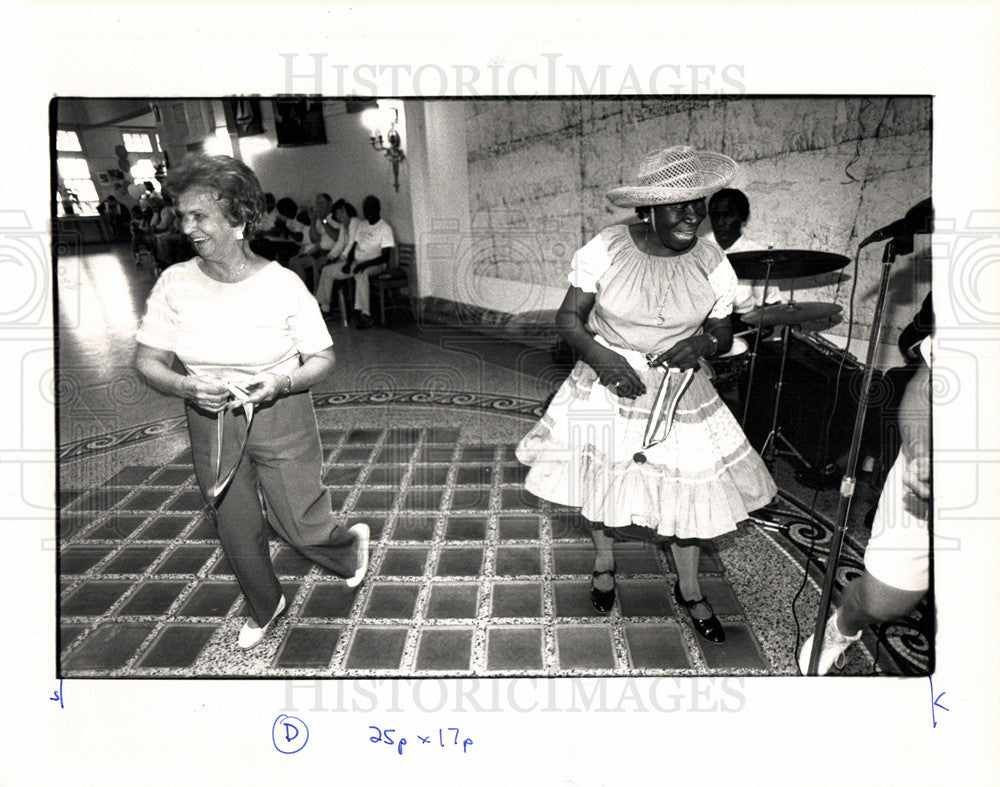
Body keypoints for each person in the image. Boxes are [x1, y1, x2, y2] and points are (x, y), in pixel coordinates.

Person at [516, 147, 777, 644]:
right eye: (677, 205)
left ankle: (691, 587)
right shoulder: (606, 249)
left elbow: (723, 327)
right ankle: (604, 562)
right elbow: (568, 319)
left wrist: (704, 341)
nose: (692, 215)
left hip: (680, 391)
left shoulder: (710, 258)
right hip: (607, 381)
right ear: (648, 209)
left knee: (686, 490)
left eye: (698, 204)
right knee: (599, 478)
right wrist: (604, 360)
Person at [134, 154, 370, 650]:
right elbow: (148, 361)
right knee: (235, 523)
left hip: (277, 409)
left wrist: (281, 384)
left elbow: (322, 358)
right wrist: (184, 387)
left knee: (299, 523)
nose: (188, 227)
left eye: (199, 216)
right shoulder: (175, 282)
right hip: (207, 415)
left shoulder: (282, 284)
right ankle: (265, 604)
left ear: (239, 219)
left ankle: (348, 550)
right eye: (183, 216)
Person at [799, 313, 932, 675]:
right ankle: (841, 626)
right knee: (884, 600)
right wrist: (921, 452)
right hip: (933, 475)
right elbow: (924, 388)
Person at [700, 188, 784, 323]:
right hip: (701, 323)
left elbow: (770, 303)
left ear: (743, 216)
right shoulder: (697, 250)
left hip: (742, 322)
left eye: (728, 215)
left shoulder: (757, 254)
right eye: (715, 216)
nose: (720, 222)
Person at [342, 195, 394, 329]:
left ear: (378, 210)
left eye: (371, 209)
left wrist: (364, 264)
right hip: (358, 262)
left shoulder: (385, 228)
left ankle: (365, 314)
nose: (368, 213)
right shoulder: (362, 225)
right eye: (366, 210)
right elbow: (354, 246)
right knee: (334, 271)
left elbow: (385, 257)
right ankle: (351, 309)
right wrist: (348, 263)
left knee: (361, 274)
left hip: (376, 265)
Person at [313, 199, 361, 317]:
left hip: (357, 261)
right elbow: (339, 244)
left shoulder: (355, 222)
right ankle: (324, 304)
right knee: (325, 268)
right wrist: (329, 257)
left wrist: (341, 258)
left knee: (327, 271)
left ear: (349, 211)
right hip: (348, 259)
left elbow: (351, 244)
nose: (339, 216)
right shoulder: (344, 226)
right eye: (337, 213)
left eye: (342, 212)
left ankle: (325, 307)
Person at [289, 193, 337, 290]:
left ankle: (315, 293)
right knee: (294, 261)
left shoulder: (334, 217)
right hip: (318, 251)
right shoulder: (319, 219)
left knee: (314, 262)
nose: (319, 207)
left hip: (330, 253)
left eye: (322, 203)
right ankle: (302, 290)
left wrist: (324, 221)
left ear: (329, 204)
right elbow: (314, 239)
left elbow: (335, 236)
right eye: (317, 204)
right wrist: (313, 220)